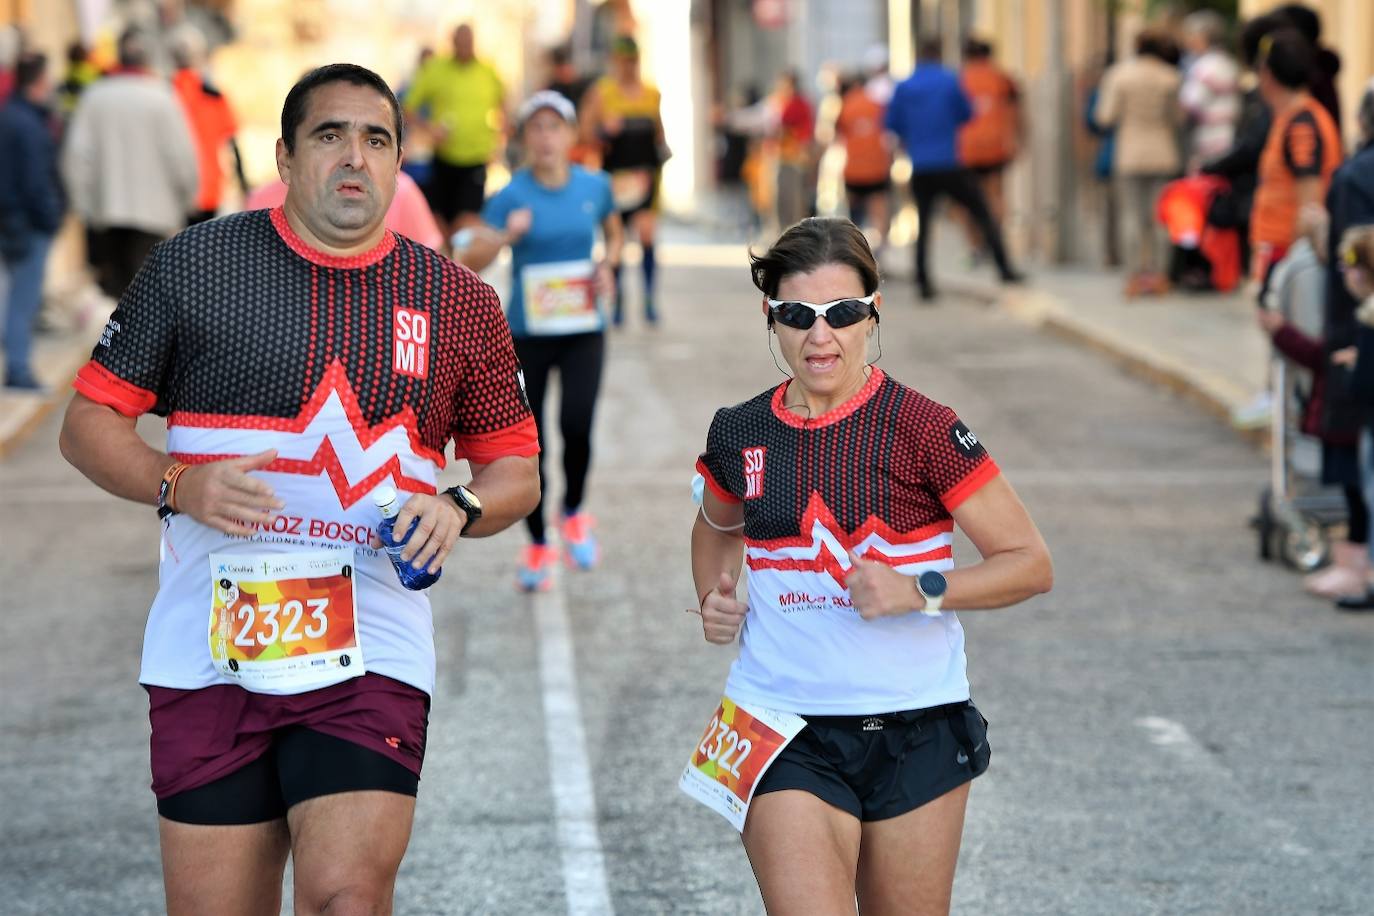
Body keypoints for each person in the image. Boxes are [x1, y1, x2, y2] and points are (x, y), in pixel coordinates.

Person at [57, 63, 540, 914]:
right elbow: (87, 425)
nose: (354, 156)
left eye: (376, 139)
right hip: (208, 650)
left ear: (399, 163)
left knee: (346, 896)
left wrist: (458, 506)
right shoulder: (197, 265)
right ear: (284, 156)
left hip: (372, 646)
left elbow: (517, 473)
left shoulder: (459, 301)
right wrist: (178, 482)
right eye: (330, 135)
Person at [689, 217, 1052, 914]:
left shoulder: (923, 426)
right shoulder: (738, 431)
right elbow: (713, 526)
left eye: (842, 313)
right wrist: (713, 597)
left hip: (919, 728)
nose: (819, 335)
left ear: (872, 314)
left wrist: (920, 590)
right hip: (779, 724)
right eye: (797, 315)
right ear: (771, 319)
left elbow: (1029, 563)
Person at [462, 91, 623, 591]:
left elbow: (614, 234)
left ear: (571, 136)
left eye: (555, 127)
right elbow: (470, 259)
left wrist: (608, 266)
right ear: (525, 138)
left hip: (583, 330)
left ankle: (573, 511)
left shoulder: (595, 185)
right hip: (527, 334)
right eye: (536, 128)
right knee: (529, 445)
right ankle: (536, 544)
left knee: (577, 426)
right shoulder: (511, 195)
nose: (546, 137)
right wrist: (506, 237)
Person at [61, 28, 199, 299]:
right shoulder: (162, 98)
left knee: (115, 301)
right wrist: (186, 201)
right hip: (154, 216)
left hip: (106, 213)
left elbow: (75, 158)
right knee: (150, 300)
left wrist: (85, 206)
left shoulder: (94, 97)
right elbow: (182, 158)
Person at [886, 39, 1022, 301]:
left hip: (921, 164)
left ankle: (923, 282)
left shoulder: (905, 86)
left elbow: (893, 123)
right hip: (949, 161)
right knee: (982, 212)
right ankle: (1004, 269)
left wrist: (914, 135)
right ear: (938, 55)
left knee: (924, 224)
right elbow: (966, 114)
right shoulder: (950, 81)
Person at [580, 35, 668, 326]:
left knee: (646, 235)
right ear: (615, 61)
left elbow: (659, 134)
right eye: (623, 61)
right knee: (615, 238)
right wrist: (604, 131)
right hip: (614, 178)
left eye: (633, 61)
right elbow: (583, 132)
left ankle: (649, 299)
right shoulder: (602, 93)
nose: (628, 66)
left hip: (645, 175)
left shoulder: (651, 93)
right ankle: (616, 301)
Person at [1249, 27, 1342, 294]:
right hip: (1277, 252)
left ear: (1267, 75)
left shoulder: (1302, 125)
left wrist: (1292, 270)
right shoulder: (1290, 118)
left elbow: (1309, 205)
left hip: (1288, 256)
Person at [1094, 30, 1183, 298]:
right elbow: (1177, 118)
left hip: (1130, 152)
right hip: (1163, 151)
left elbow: (1105, 117)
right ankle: (1159, 276)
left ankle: (1133, 275)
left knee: (1131, 216)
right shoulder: (1171, 77)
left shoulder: (1119, 76)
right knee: (1160, 219)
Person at [404, 23, 507, 239]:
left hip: (476, 159)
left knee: (467, 222)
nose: (464, 47)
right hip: (444, 158)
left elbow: (503, 105)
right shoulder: (436, 69)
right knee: (440, 220)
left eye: (468, 42)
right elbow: (408, 107)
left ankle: (462, 268)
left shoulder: (487, 72)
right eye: (459, 42)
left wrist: (499, 137)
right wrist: (430, 129)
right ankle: (447, 265)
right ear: (452, 43)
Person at [0, 51, 64, 391]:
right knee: (23, 302)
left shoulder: (11, 116)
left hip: (13, 220)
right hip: (26, 225)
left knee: (10, 298)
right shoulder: (28, 125)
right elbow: (35, 182)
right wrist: (51, 217)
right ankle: (19, 370)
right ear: (38, 82)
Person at [244, 168, 444, 251]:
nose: (353, 155)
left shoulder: (402, 192)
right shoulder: (261, 200)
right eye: (328, 137)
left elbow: (431, 266)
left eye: (372, 140)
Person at [169, 24, 246, 223]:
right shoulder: (214, 96)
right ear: (200, 56)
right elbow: (232, 143)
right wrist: (244, 184)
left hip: (171, 189)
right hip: (208, 188)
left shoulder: (165, 95)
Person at [956, 39, 1021, 244]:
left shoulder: (959, 79)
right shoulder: (1002, 78)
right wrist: (1017, 139)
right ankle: (996, 241)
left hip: (966, 148)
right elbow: (1016, 111)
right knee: (995, 195)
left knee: (967, 200)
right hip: (996, 145)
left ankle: (974, 245)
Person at [834, 72, 891, 256]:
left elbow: (837, 135)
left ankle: (856, 249)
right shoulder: (877, 104)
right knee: (879, 209)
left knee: (854, 212)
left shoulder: (845, 105)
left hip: (854, 168)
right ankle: (880, 247)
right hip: (877, 166)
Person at [1178, 11, 1241, 171]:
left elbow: (1189, 104)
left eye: (1192, 35)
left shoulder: (1204, 67)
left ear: (1203, 37)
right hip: (1230, 135)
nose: (1189, 41)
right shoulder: (1228, 62)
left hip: (1209, 137)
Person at [770, 70, 816, 233]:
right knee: (781, 200)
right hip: (782, 156)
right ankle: (783, 233)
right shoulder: (779, 101)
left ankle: (794, 234)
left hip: (794, 158)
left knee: (794, 201)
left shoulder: (798, 103)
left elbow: (804, 132)